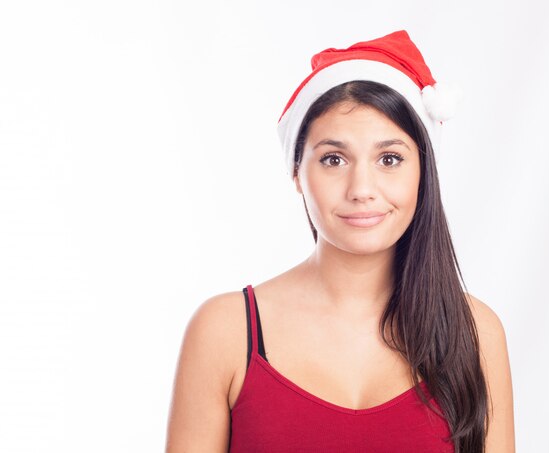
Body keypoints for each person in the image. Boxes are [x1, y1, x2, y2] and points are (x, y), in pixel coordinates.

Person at [165, 30, 515, 453]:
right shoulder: (224, 332)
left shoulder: (476, 333)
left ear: (424, 173)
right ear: (296, 173)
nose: (361, 188)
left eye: (390, 159)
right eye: (334, 159)